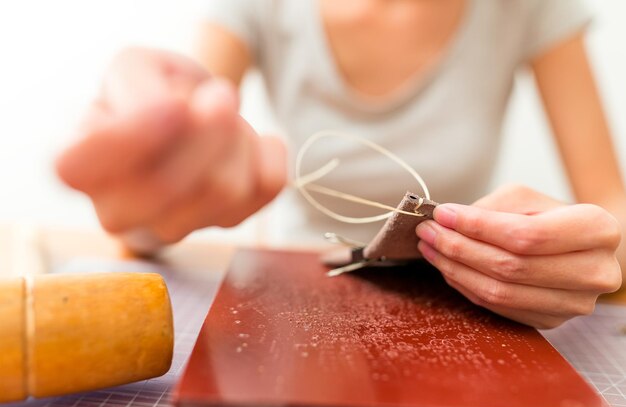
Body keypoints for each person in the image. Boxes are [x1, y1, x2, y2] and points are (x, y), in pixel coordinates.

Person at [56, 0, 624, 328]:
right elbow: (175, 171)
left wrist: (589, 251)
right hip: (288, 304)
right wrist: (147, 198)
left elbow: (611, 211)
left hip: (459, 309)